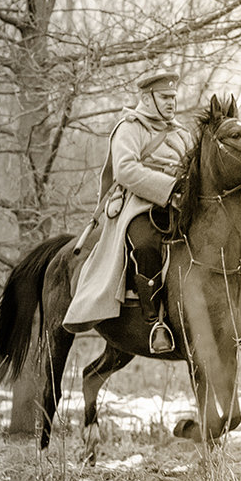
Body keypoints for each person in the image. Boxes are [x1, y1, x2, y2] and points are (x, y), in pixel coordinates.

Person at [64, 69, 193, 354]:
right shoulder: (130, 127)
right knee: (146, 246)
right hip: (140, 204)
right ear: (148, 99)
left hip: (180, 205)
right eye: (165, 97)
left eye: (173, 97)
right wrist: (170, 188)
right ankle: (155, 322)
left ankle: (234, 316)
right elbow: (126, 170)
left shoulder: (182, 133)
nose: (172, 102)